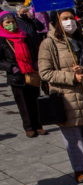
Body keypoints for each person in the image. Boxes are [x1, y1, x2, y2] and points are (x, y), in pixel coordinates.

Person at [38, 9, 83, 184]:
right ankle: (80, 169)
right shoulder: (48, 43)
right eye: (65, 19)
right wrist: (71, 76)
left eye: (71, 18)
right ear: (57, 22)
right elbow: (45, 73)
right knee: (73, 136)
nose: (70, 21)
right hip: (65, 97)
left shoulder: (82, 40)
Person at [0, 10, 45, 138]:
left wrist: (36, 62)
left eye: (13, 22)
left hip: (31, 72)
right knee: (23, 103)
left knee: (35, 100)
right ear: (2, 24)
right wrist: (11, 67)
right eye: (8, 22)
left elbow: (34, 50)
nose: (11, 24)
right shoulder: (2, 40)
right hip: (16, 76)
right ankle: (29, 127)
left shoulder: (24, 35)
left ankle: (39, 125)